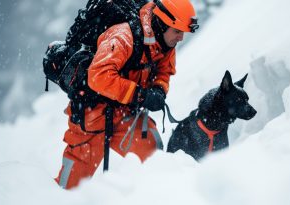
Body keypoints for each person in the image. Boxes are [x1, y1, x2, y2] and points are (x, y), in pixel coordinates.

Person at [55, 0, 198, 189]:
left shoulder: (165, 43)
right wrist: (140, 95)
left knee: (153, 154)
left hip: (125, 113)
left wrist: (158, 89)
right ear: (162, 23)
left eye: (183, 33)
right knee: (70, 187)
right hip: (92, 115)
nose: (180, 38)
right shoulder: (122, 37)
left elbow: (165, 72)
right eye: (178, 31)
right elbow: (98, 77)